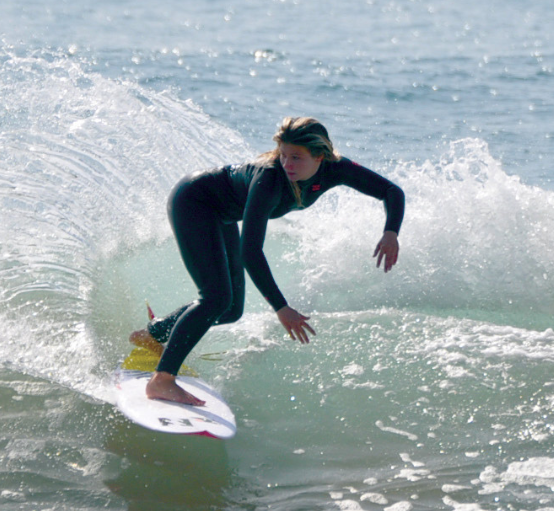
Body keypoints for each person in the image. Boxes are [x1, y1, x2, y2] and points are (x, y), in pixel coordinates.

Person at [135, 116, 405, 406]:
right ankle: (162, 380)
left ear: (320, 156)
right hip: (194, 202)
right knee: (215, 299)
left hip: (221, 215)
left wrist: (391, 232)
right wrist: (280, 307)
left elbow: (392, 191)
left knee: (230, 310)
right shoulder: (269, 179)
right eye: (283, 154)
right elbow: (250, 251)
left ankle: (152, 334)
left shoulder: (335, 168)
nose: (287, 163)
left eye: (296, 157)